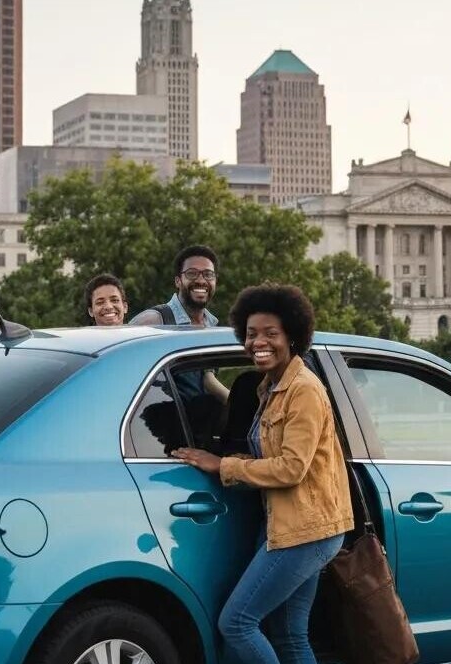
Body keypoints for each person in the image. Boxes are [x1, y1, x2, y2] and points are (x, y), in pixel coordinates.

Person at [173, 284, 353, 664]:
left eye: (271, 333)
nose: (259, 342)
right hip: (291, 523)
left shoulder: (302, 390)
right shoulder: (269, 387)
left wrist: (222, 465)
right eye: (252, 334)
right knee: (289, 635)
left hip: (307, 528)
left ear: (292, 335)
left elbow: (292, 467)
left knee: (237, 622)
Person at [130, 245, 229, 403]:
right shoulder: (155, 321)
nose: (201, 280)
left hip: (195, 425)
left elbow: (206, 385)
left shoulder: (212, 326)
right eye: (192, 274)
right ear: (178, 281)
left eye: (208, 274)